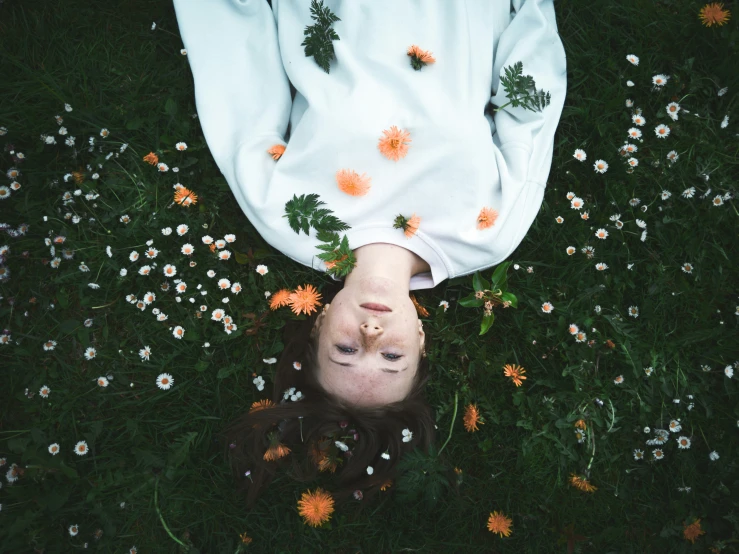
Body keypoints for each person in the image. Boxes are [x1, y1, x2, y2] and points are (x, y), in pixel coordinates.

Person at [173, 0, 567, 506]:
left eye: (345, 351)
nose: (371, 333)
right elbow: (529, 112)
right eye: (391, 357)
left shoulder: (291, 220)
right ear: (421, 339)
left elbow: (239, 84)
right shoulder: (489, 234)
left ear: (317, 325)